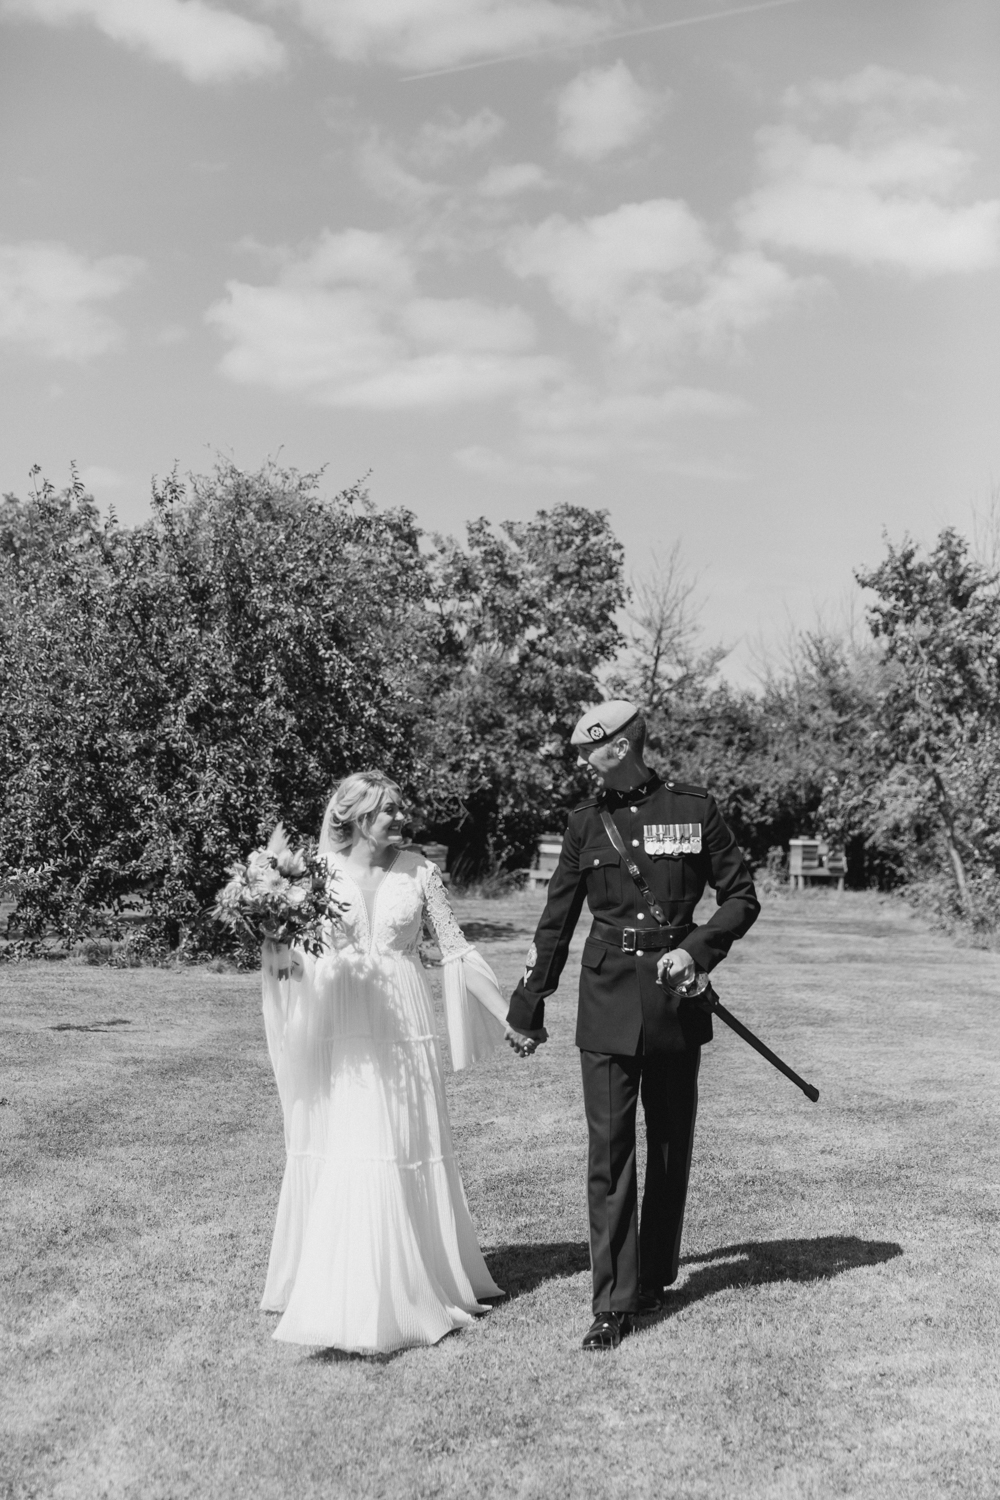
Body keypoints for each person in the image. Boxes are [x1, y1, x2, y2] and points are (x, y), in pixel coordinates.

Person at [507, 701, 760, 1351]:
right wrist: (529, 1005)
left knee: (669, 1145)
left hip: (674, 998)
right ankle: (613, 1302)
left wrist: (697, 951)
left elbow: (740, 897)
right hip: (607, 997)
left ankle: (652, 1276)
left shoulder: (694, 808)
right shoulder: (584, 823)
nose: (581, 760)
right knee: (610, 1152)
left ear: (619, 747)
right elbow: (557, 921)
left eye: (588, 749)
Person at [259, 770, 538, 1354]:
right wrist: (272, 933)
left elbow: (455, 949)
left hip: (405, 1025)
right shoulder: (312, 873)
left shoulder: (420, 871)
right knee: (355, 1140)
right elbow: (291, 958)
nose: (402, 817)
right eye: (390, 810)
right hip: (341, 1023)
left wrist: (509, 1016)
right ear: (358, 817)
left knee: (404, 1141)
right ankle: (348, 1286)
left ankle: (415, 1276)